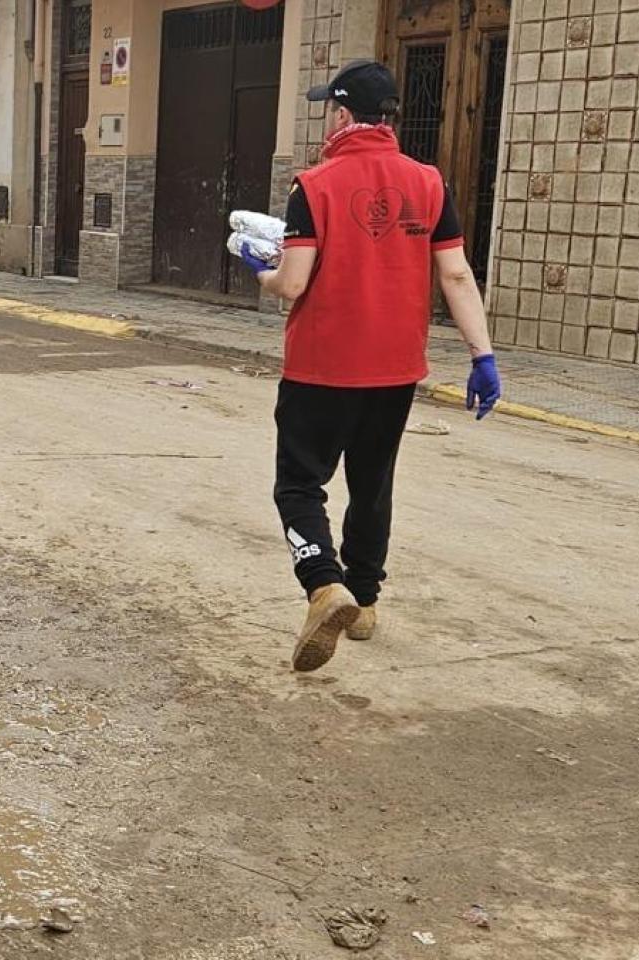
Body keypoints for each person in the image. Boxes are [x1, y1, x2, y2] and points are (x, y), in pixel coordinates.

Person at [241, 60, 502, 672]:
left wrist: (261, 271)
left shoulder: (314, 186)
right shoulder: (430, 184)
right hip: (395, 370)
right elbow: (456, 275)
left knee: (299, 485)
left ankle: (323, 585)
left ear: (341, 114)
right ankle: (363, 603)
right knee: (372, 481)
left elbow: (293, 282)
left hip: (321, 366)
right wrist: (482, 356)